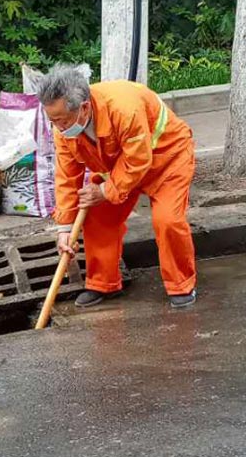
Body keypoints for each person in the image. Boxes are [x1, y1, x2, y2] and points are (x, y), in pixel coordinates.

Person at [37, 64, 197, 308]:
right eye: (52, 120)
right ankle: (103, 283)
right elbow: (67, 177)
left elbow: (137, 160)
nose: (57, 127)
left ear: (84, 108)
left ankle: (181, 284)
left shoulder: (124, 109)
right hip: (118, 169)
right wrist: (65, 227)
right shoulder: (65, 129)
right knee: (97, 215)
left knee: (167, 220)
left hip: (167, 160)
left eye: (61, 120)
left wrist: (104, 191)